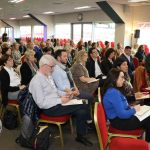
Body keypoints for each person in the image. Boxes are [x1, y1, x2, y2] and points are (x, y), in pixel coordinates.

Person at [29, 54, 93, 147]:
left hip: (57, 103)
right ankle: (87, 126)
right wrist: (61, 101)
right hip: (50, 109)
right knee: (84, 103)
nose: (53, 69)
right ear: (44, 66)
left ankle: (81, 134)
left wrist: (65, 94)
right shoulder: (36, 81)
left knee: (81, 110)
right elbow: (41, 104)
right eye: (52, 67)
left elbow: (55, 91)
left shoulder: (47, 76)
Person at [102, 68, 150, 142]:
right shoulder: (113, 92)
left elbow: (122, 105)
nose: (124, 80)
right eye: (121, 77)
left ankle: (145, 143)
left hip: (121, 119)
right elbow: (122, 114)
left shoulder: (114, 89)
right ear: (114, 78)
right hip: (120, 122)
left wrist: (131, 107)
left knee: (147, 117)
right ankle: (147, 144)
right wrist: (134, 110)